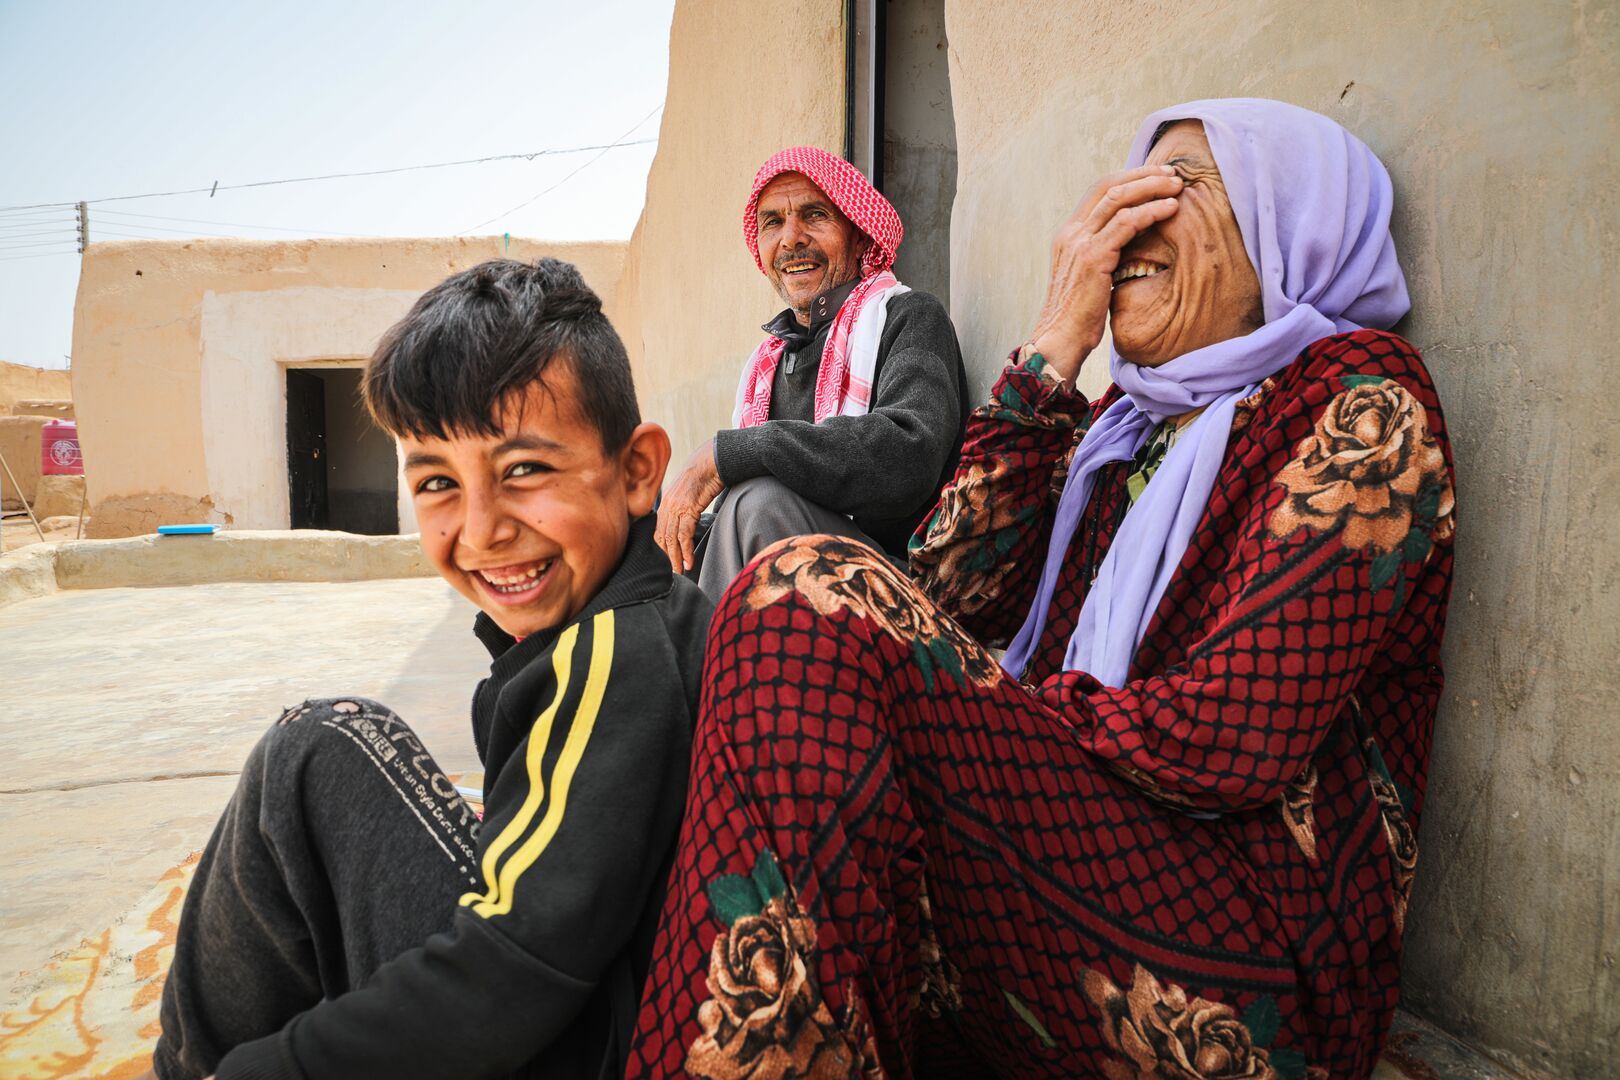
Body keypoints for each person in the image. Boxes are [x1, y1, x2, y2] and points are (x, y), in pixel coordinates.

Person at [627, 100, 1455, 1079]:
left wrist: (981, 724)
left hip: (1242, 960)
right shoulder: (1115, 431)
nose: (1118, 225)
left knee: (804, 588)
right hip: (1066, 881)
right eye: (1117, 194)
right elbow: (946, 583)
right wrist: (1057, 348)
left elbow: (1231, 736)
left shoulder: (1360, 396)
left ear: (1291, 228)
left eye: (1175, 188)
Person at [151, 259, 713, 1080]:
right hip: (577, 1010)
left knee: (317, 751)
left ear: (636, 473)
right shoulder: (625, 624)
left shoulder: (612, 656)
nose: (481, 530)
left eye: (523, 470)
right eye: (440, 484)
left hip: (566, 1048)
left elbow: (512, 967)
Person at [654, 145, 969, 599]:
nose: (792, 239)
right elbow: (725, 532)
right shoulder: (767, 364)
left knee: (758, 503)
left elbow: (907, 458)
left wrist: (728, 453)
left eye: (814, 215)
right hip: (800, 580)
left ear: (859, 235)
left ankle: (716, 668)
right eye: (773, 223)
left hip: (903, 592)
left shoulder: (908, 316)